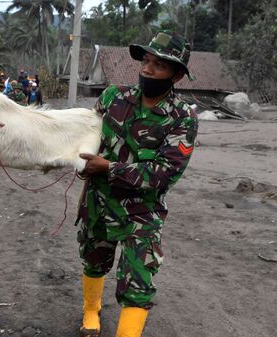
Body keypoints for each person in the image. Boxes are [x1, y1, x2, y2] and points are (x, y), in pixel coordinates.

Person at [75, 30, 198, 337]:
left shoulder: (182, 117)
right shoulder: (112, 97)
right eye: (147, 60)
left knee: (138, 283)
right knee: (94, 258)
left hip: (142, 213)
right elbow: (86, 135)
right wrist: (80, 161)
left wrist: (108, 167)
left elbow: (165, 171)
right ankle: (91, 313)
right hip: (98, 203)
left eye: (159, 65)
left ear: (177, 76)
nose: (147, 69)